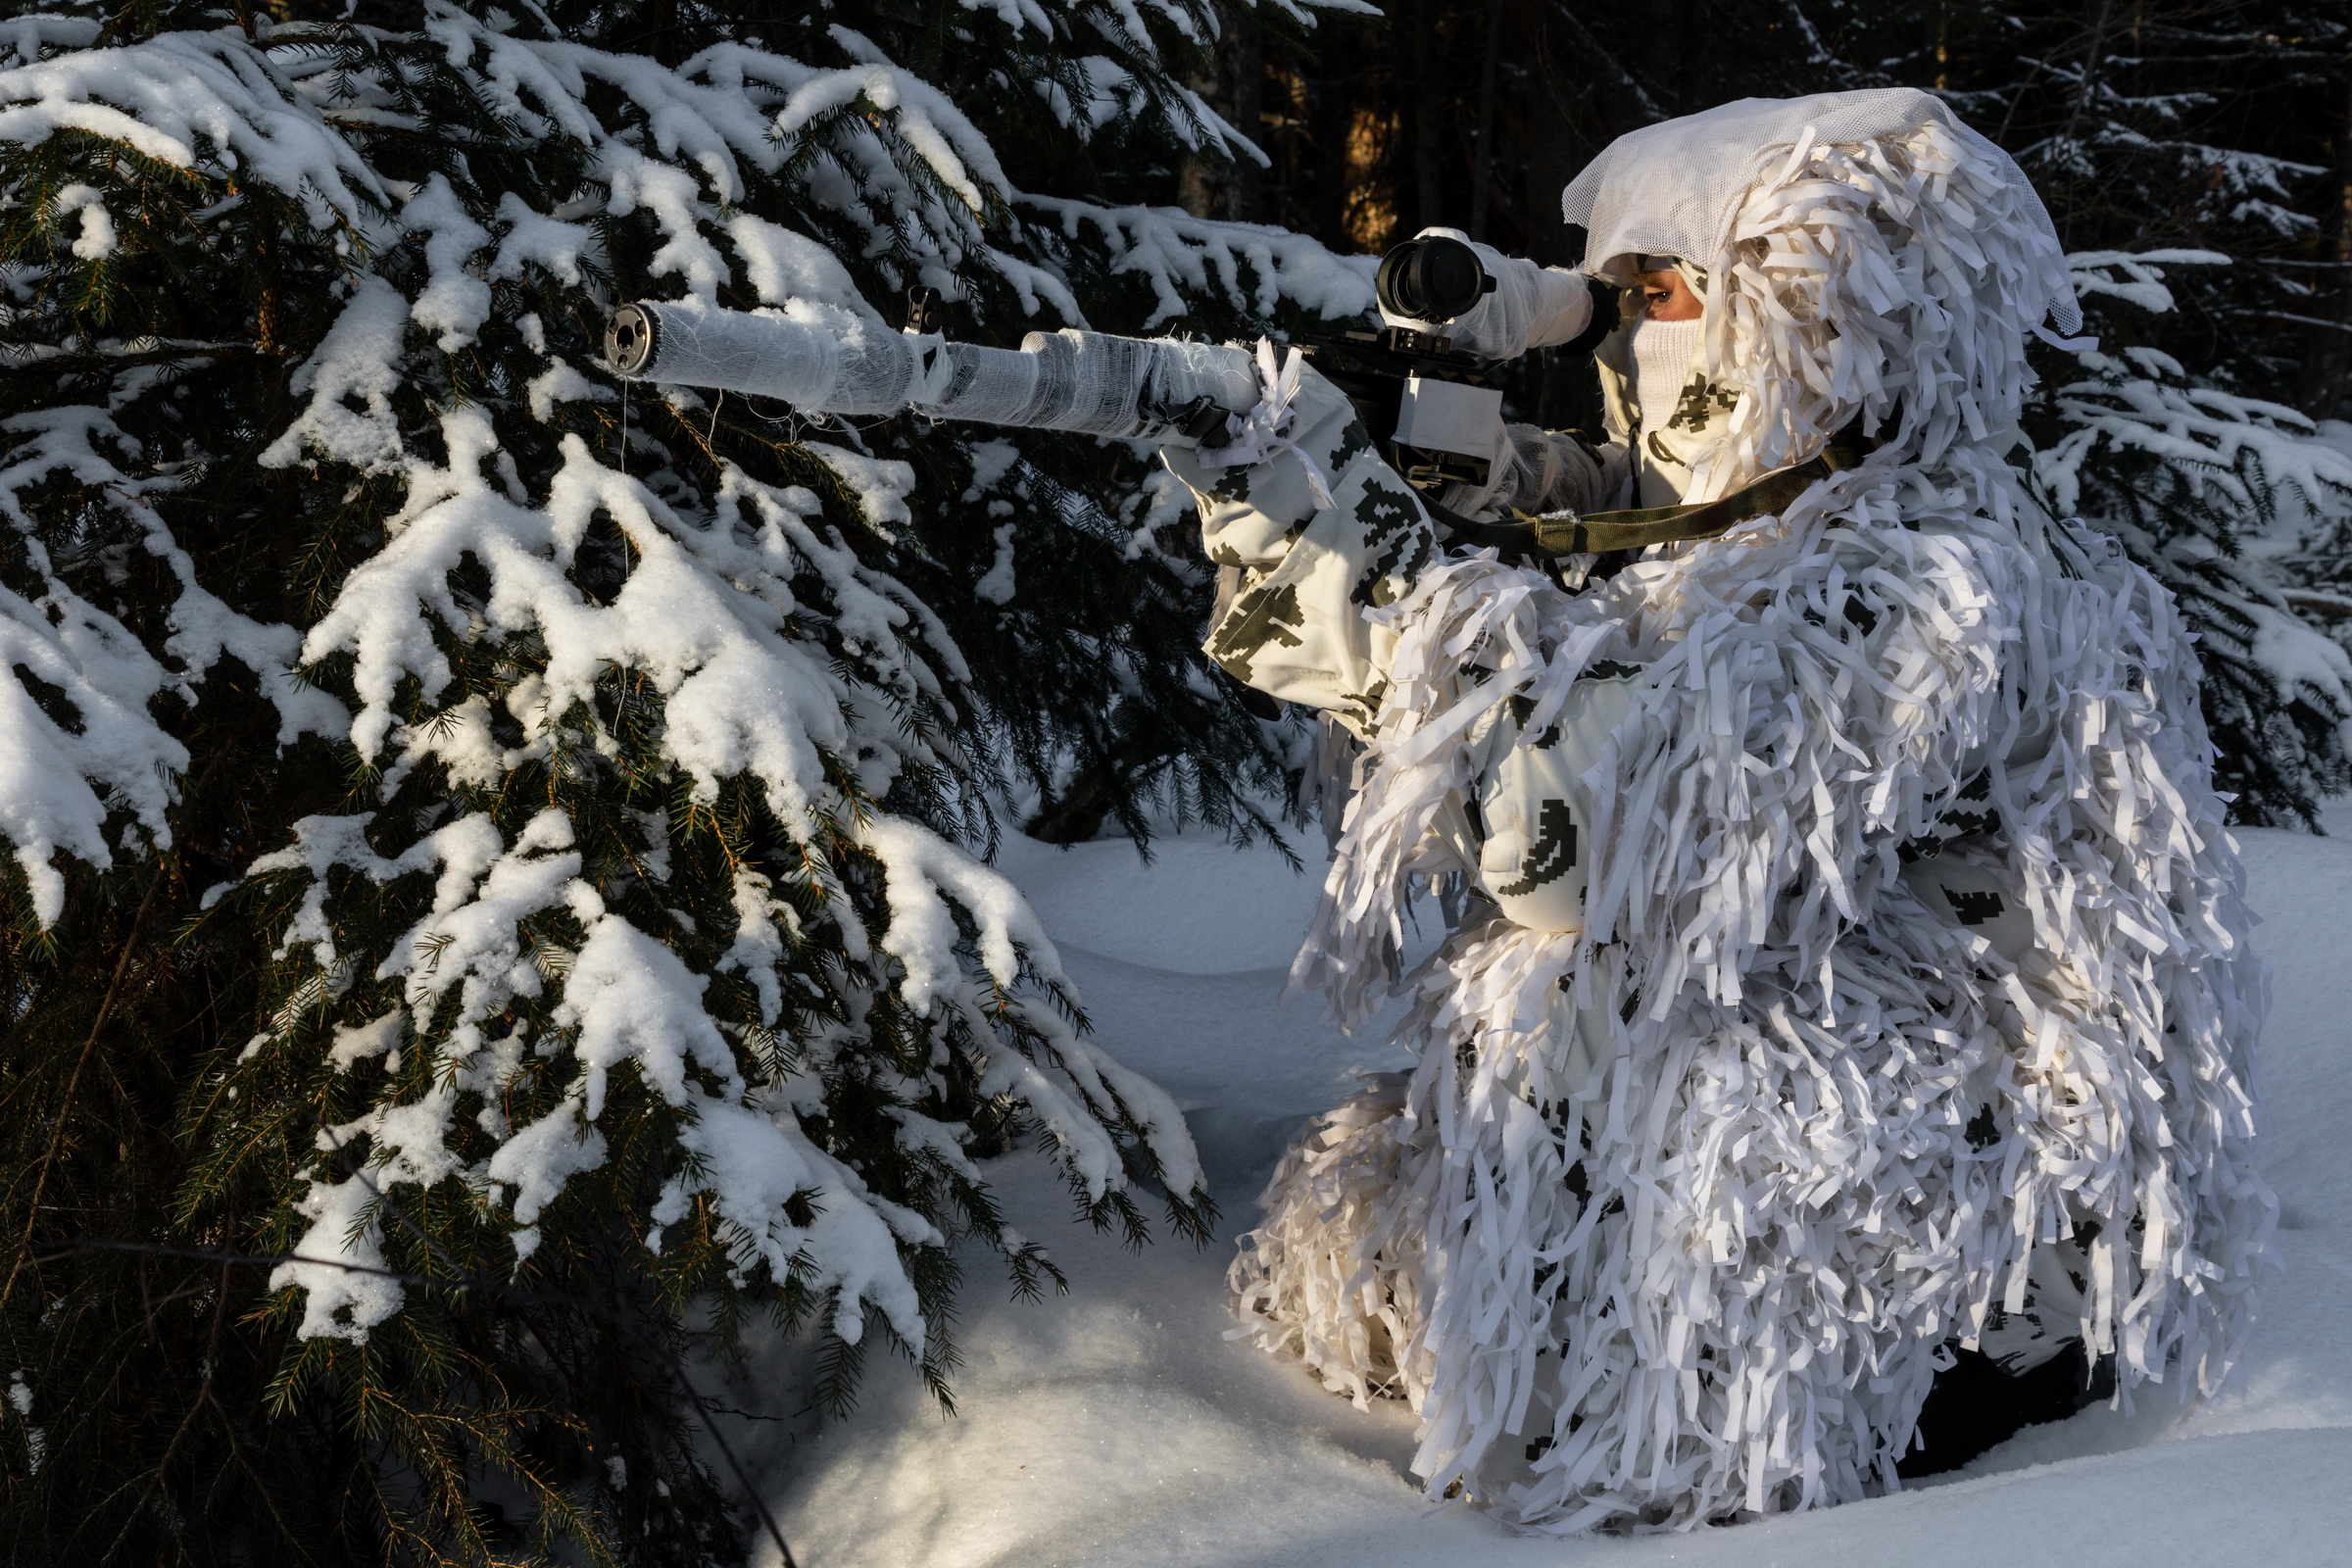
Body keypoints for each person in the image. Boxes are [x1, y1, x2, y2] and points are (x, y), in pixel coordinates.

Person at [1164, 88, 2272, 1532]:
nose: (1627, 336)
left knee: (1639, 1100)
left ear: (1819, 316)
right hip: (1845, 1137)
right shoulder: (1796, 524)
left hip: (1961, 1247)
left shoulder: (1933, 579)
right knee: (1400, 1215)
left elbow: (1573, 831)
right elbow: (1629, 572)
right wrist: (1416, 484)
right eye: (1619, 296)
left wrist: (1368, 589)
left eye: (1670, 293)